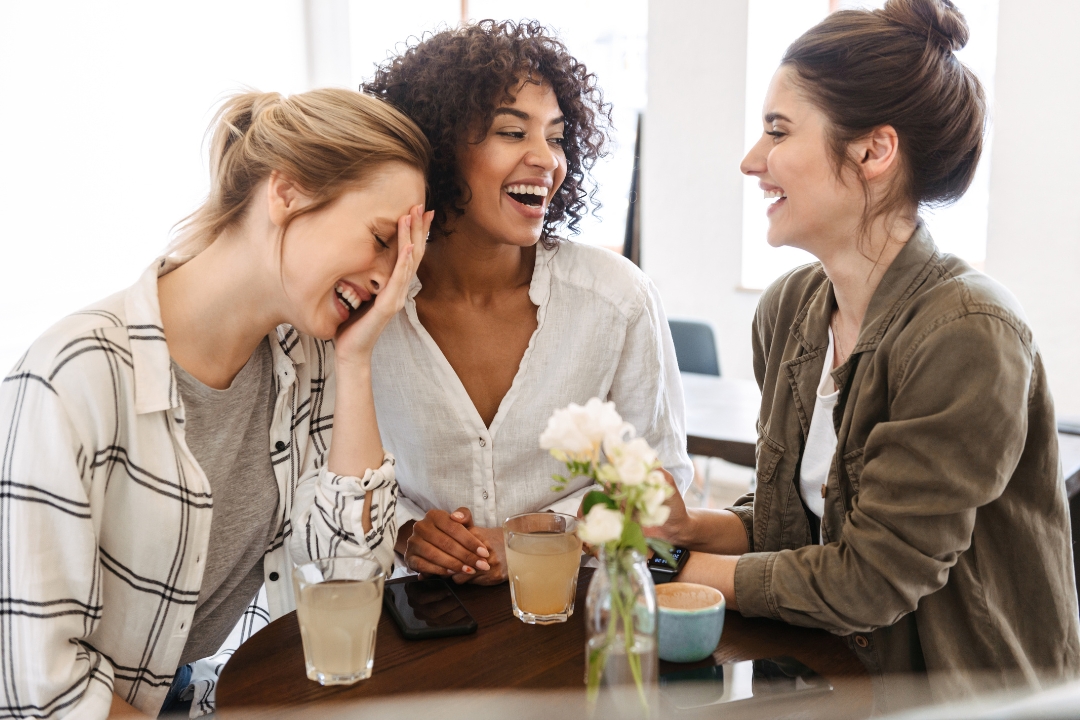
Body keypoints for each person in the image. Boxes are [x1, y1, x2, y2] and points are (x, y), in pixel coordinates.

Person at [650, 0, 1080, 711]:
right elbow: (808, 524)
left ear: (874, 152)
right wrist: (700, 528)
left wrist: (680, 567)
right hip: (825, 676)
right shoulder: (788, 311)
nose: (751, 160)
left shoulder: (970, 332)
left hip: (961, 698)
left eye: (778, 131)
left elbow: (869, 580)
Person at [0, 88, 432, 718]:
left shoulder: (308, 362)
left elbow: (346, 586)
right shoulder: (73, 376)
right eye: (380, 239)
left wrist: (356, 360)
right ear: (286, 193)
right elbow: (40, 683)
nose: (389, 281)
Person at [361, 20, 693, 585]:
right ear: (438, 149)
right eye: (513, 133)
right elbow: (322, 467)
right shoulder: (367, 304)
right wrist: (406, 531)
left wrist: (542, 535)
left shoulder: (616, 299)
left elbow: (661, 491)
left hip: (580, 606)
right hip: (418, 620)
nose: (547, 159)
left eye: (557, 137)